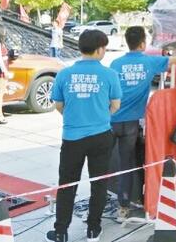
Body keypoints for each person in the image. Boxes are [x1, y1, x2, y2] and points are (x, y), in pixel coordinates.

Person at [110, 27, 176, 220]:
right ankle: (124, 206)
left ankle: (106, 201)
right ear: (142, 44)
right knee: (127, 163)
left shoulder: (115, 63)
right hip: (131, 123)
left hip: (111, 120)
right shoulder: (149, 62)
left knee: (109, 164)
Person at [46, 30, 122, 242]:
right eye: (104, 48)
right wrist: (100, 116)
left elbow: (58, 104)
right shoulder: (109, 74)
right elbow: (115, 105)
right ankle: (93, 229)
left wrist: (74, 117)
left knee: (67, 184)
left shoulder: (64, 74)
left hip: (72, 138)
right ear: (99, 49)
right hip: (101, 136)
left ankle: (61, 231)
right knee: (99, 183)